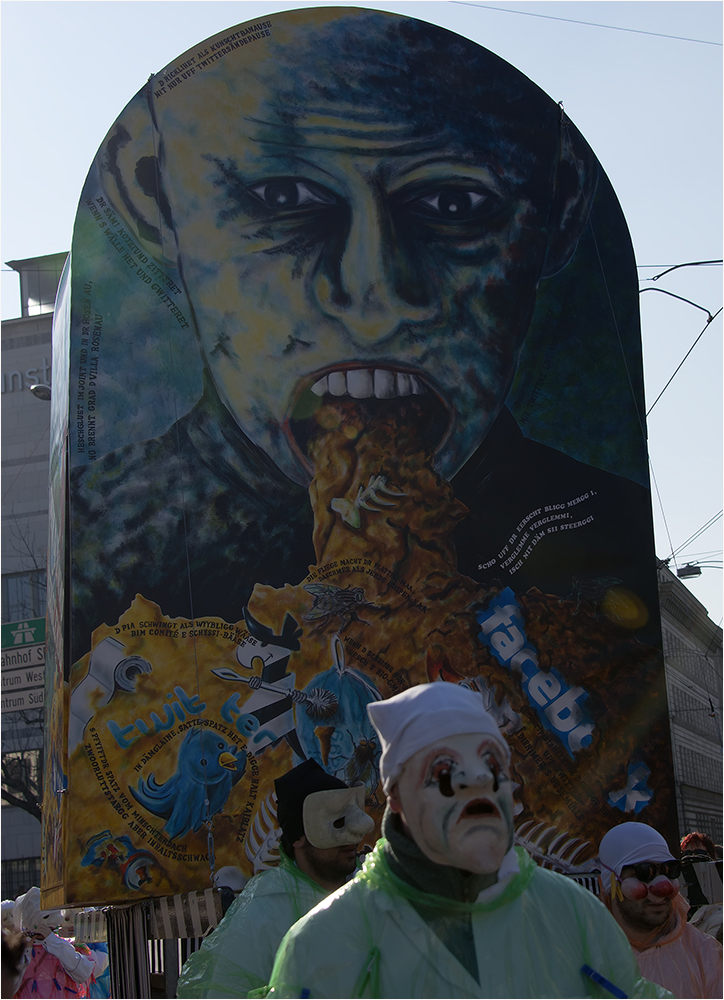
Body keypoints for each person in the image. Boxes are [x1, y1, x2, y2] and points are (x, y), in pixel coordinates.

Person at [69, 7, 657, 662]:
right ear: (153, 195)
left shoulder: (602, 533)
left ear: (560, 210)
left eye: (451, 205)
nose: (372, 299)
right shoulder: (96, 557)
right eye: (286, 197)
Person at [267, 683, 668, 998]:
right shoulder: (325, 943)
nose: (478, 778)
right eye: (444, 771)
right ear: (396, 796)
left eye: (492, 763)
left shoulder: (571, 913)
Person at [176, 758, 373, 997]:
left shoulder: (369, 896)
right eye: (338, 823)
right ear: (298, 837)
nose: (356, 834)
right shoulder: (264, 910)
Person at [599, 821, 723, 998]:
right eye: (644, 873)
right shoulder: (585, 954)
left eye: (668, 871)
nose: (661, 887)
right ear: (610, 883)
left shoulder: (705, 954)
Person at [12, 887, 95, 999]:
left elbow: (83, 972)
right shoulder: (17, 951)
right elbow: (9, 987)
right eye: (46, 916)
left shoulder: (63, 944)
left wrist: (53, 941)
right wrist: (25, 953)